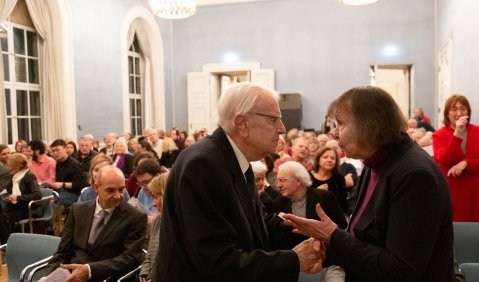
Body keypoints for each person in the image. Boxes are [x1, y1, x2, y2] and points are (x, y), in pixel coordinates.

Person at [155, 82, 324, 282]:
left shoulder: (234, 158)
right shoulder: (203, 164)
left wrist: (309, 231)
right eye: (273, 119)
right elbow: (217, 261)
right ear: (242, 123)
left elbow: (258, 223)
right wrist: (294, 259)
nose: (282, 128)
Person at [283, 86, 454, 281]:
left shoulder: (414, 175)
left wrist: (334, 237)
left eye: (341, 125)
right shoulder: (374, 162)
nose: (335, 134)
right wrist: (327, 246)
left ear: (368, 125)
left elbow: (401, 269)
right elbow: (365, 238)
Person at [42, 166, 147, 281]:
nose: (118, 196)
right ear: (96, 188)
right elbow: (63, 252)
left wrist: (89, 270)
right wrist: (47, 277)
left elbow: (130, 258)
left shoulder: (135, 217)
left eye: (121, 189)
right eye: (110, 190)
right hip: (72, 275)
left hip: (108, 277)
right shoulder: (78, 210)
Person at [433, 94, 479, 222]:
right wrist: (457, 133)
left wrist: (466, 163)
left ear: (468, 112)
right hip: (454, 191)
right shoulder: (439, 135)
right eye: (454, 109)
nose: (459, 112)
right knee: (456, 230)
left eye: (463, 108)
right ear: (447, 114)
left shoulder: (477, 131)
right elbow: (444, 159)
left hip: (476, 191)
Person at [0, 153, 42, 243]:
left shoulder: (29, 176)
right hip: (16, 206)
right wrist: (4, 196)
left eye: (10, 166)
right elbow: (7, 190)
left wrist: (17, 198)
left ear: (16, 167)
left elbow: (37, 195)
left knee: (3, 219)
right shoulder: (13, 177)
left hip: (29, 208)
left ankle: (7, 246)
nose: (8, 168)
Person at [139, 172, 169, 282]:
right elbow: (150, 255)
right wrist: (144, 272)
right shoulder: (157, 220)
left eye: (156, 197)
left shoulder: (180, 226)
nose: (154, 204)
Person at [309, 146, 348, 215]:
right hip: (311, 215)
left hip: (333, 217)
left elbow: (343, 204)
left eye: (332, 158)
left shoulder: (339, 178)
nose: (329, 160)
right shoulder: (308, 176)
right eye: (325, 157)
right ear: (318, 159)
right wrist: (316, 193)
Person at [50, 139, 88, 208]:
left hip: (74, 194)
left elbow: (80, 185)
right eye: (53, 151)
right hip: (61, 191)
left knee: (53, 203)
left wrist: (62, 184)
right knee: (45, 199)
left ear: (65, 149)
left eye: (57, 150)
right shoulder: (58, 163)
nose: (55, 153)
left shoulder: (74, 164)